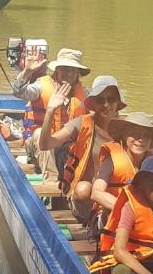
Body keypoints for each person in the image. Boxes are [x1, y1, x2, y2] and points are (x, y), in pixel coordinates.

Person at [38, 75, 127, 220]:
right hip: (85, 197)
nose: (106, 105)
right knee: (83, 189)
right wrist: (50, 110)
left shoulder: (128, 130)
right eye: (100, 100)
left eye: (111, 99)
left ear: (118, 103)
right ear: (93, 103)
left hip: (113, 194)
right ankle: (92, 220)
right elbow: (45, 144)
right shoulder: (81, 124)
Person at [12, 47, 89, 180]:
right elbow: (18, 92)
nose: (68, 73)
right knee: (40, 133)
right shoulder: (41, 86)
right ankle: (51, 180)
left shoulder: (85, 93)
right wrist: (27, 71)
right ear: (57, 70)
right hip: (39, 146)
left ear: (78, 73)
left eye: (72, 70)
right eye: (64, 68)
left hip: (67, 147)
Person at [90, 112, 153, 216]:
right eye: (135, 134)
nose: (140, 140)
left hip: (142, 215)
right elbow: (96, 192)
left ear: (151, 141)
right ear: (125, 136)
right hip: (113, 213)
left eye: (146, 136)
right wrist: (129, 210)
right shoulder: (112, 160)